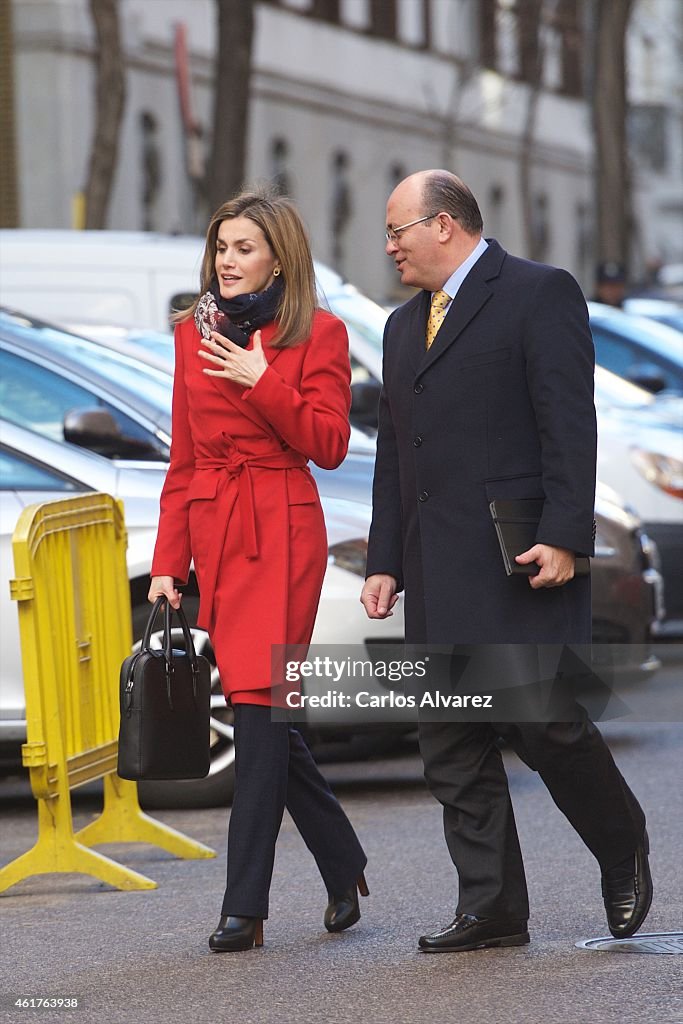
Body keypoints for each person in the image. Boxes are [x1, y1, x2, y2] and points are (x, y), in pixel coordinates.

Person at [361, 169, 651, 952]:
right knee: (449, 744)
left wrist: (563, 534)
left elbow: (567, 422)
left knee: (549, 726)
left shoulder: (537, 292)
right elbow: (396, 453)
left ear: (445, 225)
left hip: (517, 556)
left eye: (398, 230)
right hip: (433, 565)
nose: (388, 245)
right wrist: (384, 558)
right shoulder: (397, 327)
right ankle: (492, 907)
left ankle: (622, 848)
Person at [149, 185, 368, 952]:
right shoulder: (189, 333)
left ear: (280, 257)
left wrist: (260, 381)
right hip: (216, 527)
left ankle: (244, 905)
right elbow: (183, 457)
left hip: (281, 528)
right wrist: (168, 561)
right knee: (265, 713)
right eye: (220, 247)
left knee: (259, 707)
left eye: (244, 248)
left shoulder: (321, 332)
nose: (228, 261)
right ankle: (343, 861)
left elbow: (329, 444)